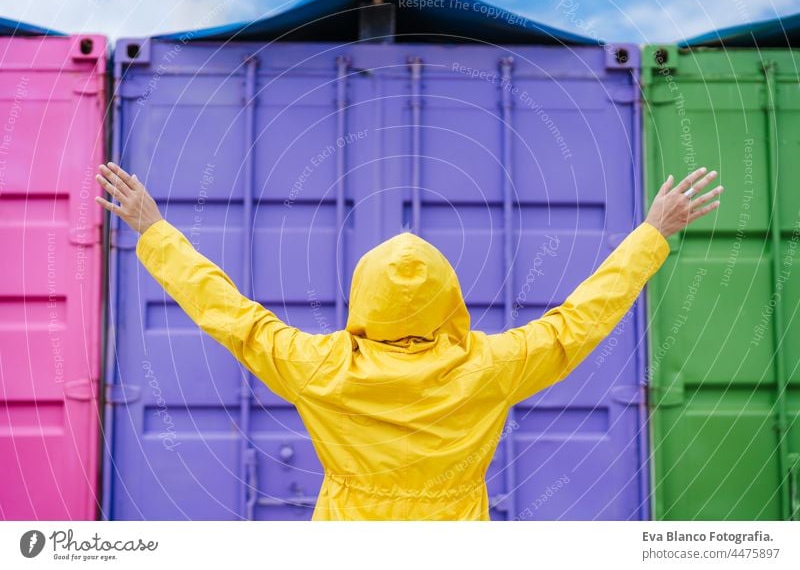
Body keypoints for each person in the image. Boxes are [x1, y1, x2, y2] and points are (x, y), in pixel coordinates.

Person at [95, 163, 722, 521]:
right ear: (449, 296)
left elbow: (229, 314)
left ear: (362, 294)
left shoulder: (318, 367)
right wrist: (650, 234)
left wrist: (155, 232)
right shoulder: (492, 368)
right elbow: (581, 320)